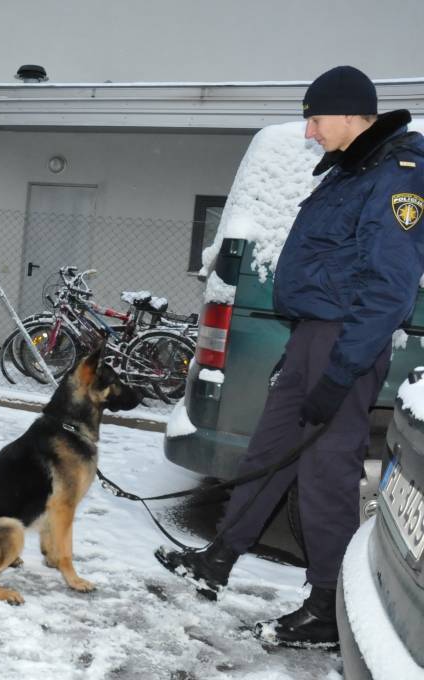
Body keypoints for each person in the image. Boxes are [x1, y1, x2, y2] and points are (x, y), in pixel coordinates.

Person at [156, 66, 424, 649]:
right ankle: (221, 557)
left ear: (353, 113)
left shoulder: (397, 176)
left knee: (327, 474)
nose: (309, 130)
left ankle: (327, 607)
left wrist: (342, 368)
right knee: (270, 450)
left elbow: (390, 289)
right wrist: (304, 354)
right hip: (310, 337)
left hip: (345, 339)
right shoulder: (350, 171)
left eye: (317, 117)